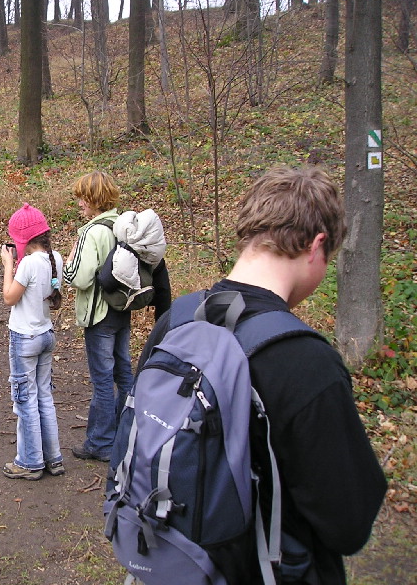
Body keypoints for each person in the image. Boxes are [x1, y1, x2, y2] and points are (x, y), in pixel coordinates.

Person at [136, 165, 386, 583]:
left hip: (174, 560)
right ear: (316, 245)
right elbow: (348, 524)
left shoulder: (176, 321)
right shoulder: (306, 361)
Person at [62, 171, 170, 462]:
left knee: (102, 380)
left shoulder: (93, 231)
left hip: (99, 315)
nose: (79, 203)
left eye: (83, 198)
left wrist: (66, 264)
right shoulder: (124, 225)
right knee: (123, 373)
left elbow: (80, 278)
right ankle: (127, 432)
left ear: (94, 198)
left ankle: (100, 442)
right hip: (122, 310)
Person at [0, 203, 65, 481]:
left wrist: (8, 266)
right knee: (44, 397)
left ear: (22, 238)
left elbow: (9, 297)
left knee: (25, 400)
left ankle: (30, 461)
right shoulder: (55, 258)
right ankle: (53, 458)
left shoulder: (27, 263)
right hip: (46, 334)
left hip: (25, 337)